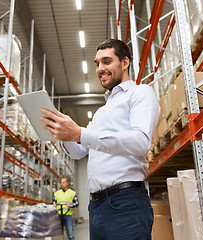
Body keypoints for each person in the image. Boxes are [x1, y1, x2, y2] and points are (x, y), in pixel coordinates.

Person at [41, 39, 160, 240]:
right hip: (97, 206)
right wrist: (63, 133)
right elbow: (80, 152)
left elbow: (141, 141)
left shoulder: (140, 93)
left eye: (106, 61)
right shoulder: (101, 112)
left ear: (125, 63)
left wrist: (79, 133)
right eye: (97, 64)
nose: (100, 69)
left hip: (125, 202)